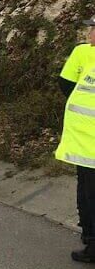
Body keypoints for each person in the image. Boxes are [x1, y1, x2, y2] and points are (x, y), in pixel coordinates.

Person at [56, 17, 95, 263]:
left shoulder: (82, 53)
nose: (90, 32)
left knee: (88, 195)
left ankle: (91, 243)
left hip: (87, 143)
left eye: (93, 29)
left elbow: (65, 84)